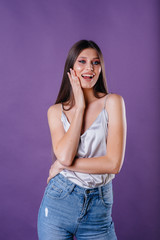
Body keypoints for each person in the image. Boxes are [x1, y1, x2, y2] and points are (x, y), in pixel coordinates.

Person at [37, 39, 127, 240]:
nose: (90, 68)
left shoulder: (112, 102)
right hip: (58, 203)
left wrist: (62, 164)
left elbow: (113, 164)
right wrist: (79, 107)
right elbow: (67, 156)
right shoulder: (55, 112)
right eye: (82, 61)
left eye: (96, 62)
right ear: (71, 68)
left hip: (99, 209)